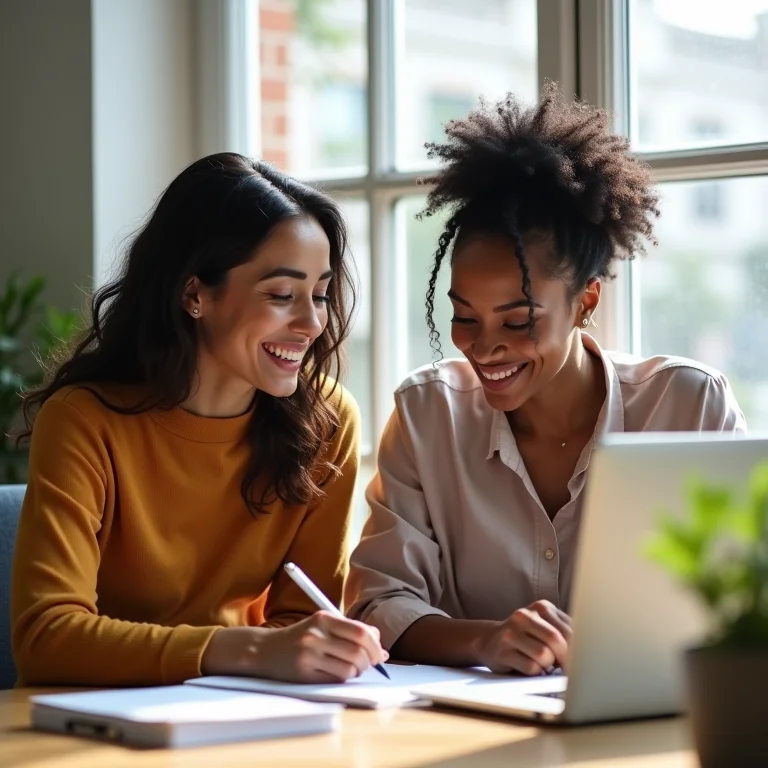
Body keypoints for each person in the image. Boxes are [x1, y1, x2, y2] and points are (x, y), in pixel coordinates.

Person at [345, 84, 746, 677]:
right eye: (464, 316)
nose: (485, 346)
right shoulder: (427, 415)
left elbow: (744, 600)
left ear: (585, 302)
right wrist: (486, 641)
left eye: (518, 320)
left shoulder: (688, 406)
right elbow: (380, 604)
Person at [12, 152, 387, 687]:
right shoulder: (84, 422)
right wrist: (246, 649)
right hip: (96, 719)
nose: (311, 323)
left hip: (239, 712)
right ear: (195, 294)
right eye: (282, 295)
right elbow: (45, 638)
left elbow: (303, 621)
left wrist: (303, 650)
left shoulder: (326, 422)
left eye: (321, 294)